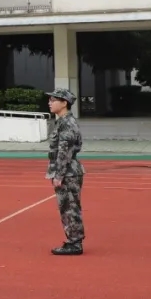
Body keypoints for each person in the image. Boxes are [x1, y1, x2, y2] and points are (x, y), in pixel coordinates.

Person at [45, 88, 84, 256]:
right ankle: (74, 240)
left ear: (64, 103)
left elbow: (64, 151)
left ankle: (74, 243)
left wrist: (59, 175)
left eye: (53, 100)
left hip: (68, 171)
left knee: (69, 208)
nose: (50, 103)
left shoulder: (67, 123)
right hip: (67, 170)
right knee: (68, 207)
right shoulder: (62, 121)